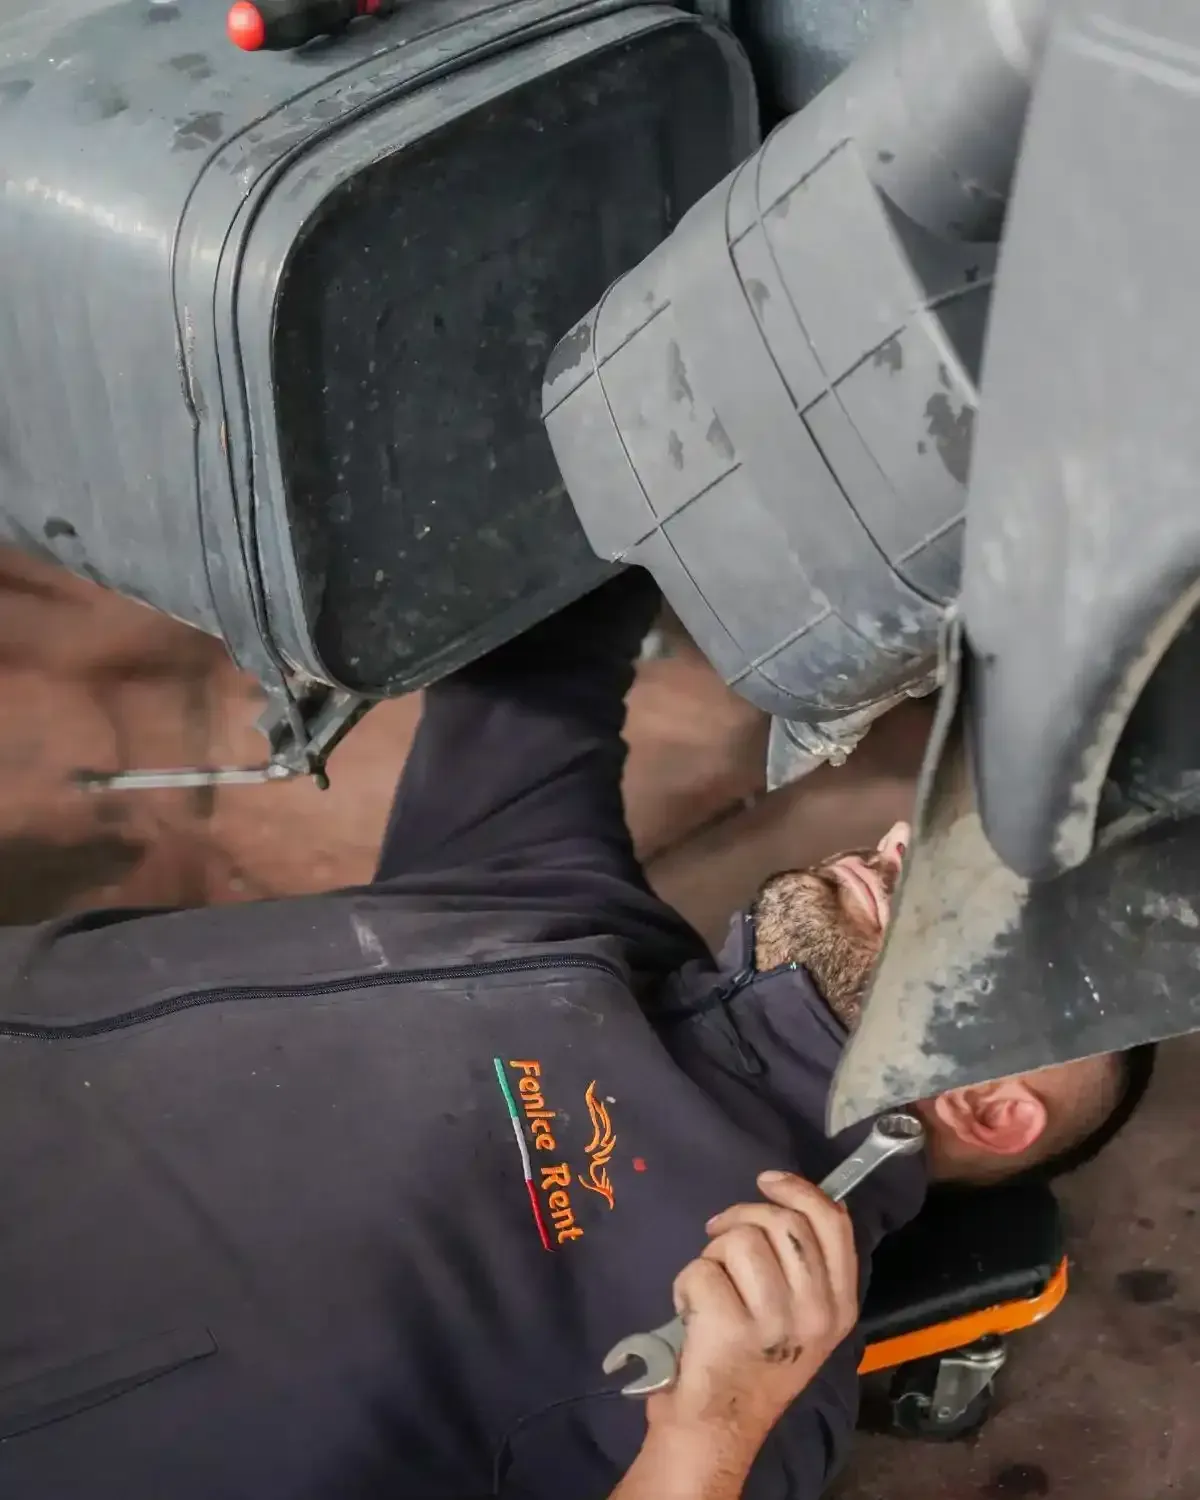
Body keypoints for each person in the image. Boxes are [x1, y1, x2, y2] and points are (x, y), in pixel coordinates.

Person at [0, 570, 1153, 1500]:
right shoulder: (567, 904)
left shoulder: (755, 1359)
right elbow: (545, 641)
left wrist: (709, 1437)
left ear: (993, 1106)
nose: (905, 845)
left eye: (976, 909)